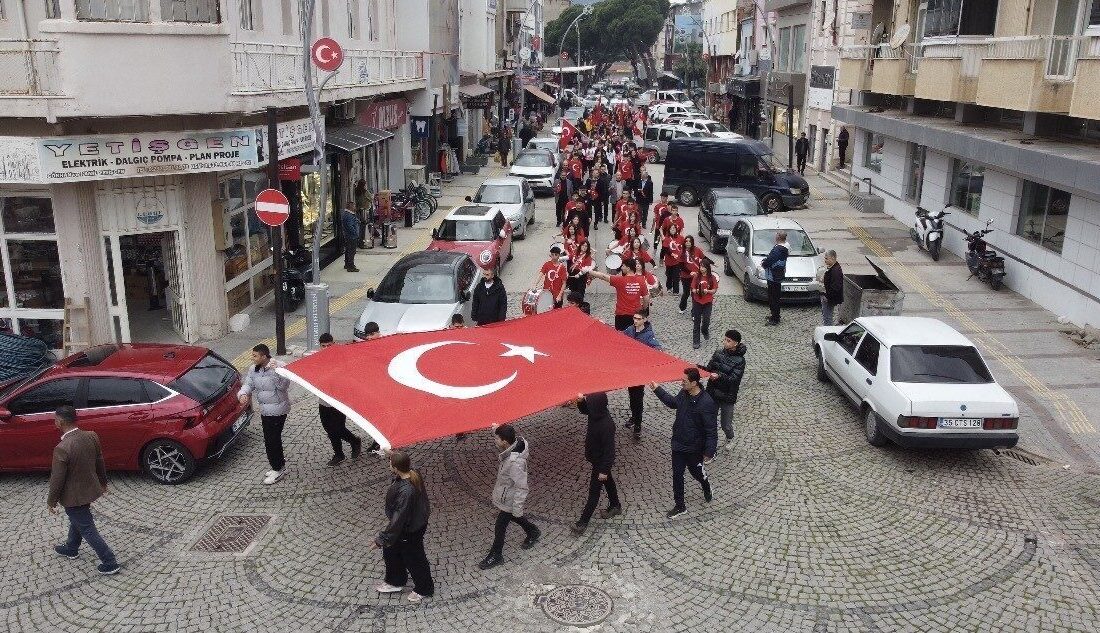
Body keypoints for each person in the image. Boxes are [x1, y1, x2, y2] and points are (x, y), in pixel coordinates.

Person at [48, 405, 120, 575]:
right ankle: (71, 547)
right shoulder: (91, 436)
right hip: (89, 490)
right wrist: (103, 482)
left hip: (73, 497)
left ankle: (110, 562)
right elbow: (99, 461)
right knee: (78, 520)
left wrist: (51, 501)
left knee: (87, 528)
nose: (54, 421)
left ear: (60, 421)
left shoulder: (62, 448)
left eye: (55, 419)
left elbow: (57, 479)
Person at [650, 368, 718, 518]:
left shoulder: (707, 403)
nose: (681, 383)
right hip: (678, 443)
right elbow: (673, 403)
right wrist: (658, 389)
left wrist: (709, 452)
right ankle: (680, 506)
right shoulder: (684, 393)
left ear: (694, 383)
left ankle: (706, 486)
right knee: (677, 475)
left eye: (684, 381)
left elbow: (711, 430)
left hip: (694, 448)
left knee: (697, 473)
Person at [372, 451, 434, 603]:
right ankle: (395, 580)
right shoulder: (413, 472)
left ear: (395, 468)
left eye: (390, 462)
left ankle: (424, 588)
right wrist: (391, 453)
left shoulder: (405, 492)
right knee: (391, 551)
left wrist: (382, 539)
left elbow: (398, 519)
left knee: (414, 558)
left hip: (410, 529)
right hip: (413, 523)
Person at [478, 424, 540, 569]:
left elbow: (522, 487)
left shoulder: (515, 463)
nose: (495, 442)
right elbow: (506, 433)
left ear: (505, 442)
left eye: (497, 439)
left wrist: (518, 507)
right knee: (513, 516)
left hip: (510, 497)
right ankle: (532, 531)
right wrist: (497, 429)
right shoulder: (512, 444)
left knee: (500, 525)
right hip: (507, 495)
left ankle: (496, 554)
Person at [238, 344, 291, 485]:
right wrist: (243, 393)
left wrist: (274, 371)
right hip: (266, 410)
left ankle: (277, 469)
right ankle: (280, 465)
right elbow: (248, 384)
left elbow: (283, 387)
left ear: (264, 356)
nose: (252, 358)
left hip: (278, 410)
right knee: (272, 439)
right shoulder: (253, 369)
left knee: (271, 440)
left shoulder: (279, 366)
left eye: (255, 355)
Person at [571, 392, 622, 535]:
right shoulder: (596, 413)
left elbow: (610, 452)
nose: (589, 406)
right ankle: (615, 505)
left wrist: (604, 470)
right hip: (596, 459)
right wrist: (581, 401)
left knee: (594, 493)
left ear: (596, 405)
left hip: (600, 463)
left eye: (590, 403)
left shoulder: (607, 425)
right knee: (608, 481)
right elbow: (584, 410)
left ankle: (583, 522)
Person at [317, 333, 362, 466]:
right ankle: (338, 454)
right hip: (324, 400)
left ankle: (354, 441)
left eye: (329, 345)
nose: (326, 348)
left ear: (333, 343)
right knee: (328, 428)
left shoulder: (341, 358)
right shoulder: (317, 359)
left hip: (339, 400)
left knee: (338, 428)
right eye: (323, 346)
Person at [701, 330, 746, 444]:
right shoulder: (718, 352)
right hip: (713, 392)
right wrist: (697, 367)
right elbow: (709, 369)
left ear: (735, 343)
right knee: (710, 421)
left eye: (728, 340)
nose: (724, 342)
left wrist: (719, 376)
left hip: (727, 395)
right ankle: (711, 445)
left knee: (726, 425)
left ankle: (730, 437)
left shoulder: (740, 360)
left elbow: (735, 379)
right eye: (724, 339)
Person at [623, 308, 661, 440]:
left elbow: (657, 349)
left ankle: (638, 424)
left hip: (640, 372)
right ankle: (634, 417)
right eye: (634, 318)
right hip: (630, 370)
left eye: (638, 319)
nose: (635, 321)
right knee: (632, 396)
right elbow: (619, 336)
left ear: (645, 319)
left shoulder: (649, 335)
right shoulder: (630, 329)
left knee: (637, 399)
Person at [586, 258, 650, 331]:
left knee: (621, 336)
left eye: (623, 266)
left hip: (621, 315)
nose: (622, 268)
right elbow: (646, 298)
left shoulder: (620, 280)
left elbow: (603, 276)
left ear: (628, 268)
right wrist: (643, 309)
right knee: (635, 337)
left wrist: (589, 271)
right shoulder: (641, 280)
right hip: (636, 315)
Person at [761, 231, 789, 326]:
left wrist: (763, 263)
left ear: (778, 237)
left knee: (773, 298)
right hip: (778, 275)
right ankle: (775, 315)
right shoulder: (784, 248)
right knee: (775, 297)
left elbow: (770, 260)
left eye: (776, 235)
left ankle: (775, 318)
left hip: (773, 276)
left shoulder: (778, 250)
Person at [690, 260, 718, 350]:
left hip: (708, 302)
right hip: (697, 302)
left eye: (703, 267)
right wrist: (697, 291)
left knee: (706, 320)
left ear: (707, 268)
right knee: (696, 322)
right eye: (700, 267)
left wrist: (708, 291)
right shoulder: (696, 277)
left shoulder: (712, 278)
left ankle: (705, 331)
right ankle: (696, 341)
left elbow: (714, 290)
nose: (701, 269)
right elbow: (693, 289)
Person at [678, 236, 704, 314]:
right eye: (686, 241)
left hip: (696, 277)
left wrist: (712, 263)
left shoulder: (697, 250)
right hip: (685, 276)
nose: (688, 243)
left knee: (694, 294)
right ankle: (682, 307)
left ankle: (694, 312)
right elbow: (681, 266)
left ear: (692, 242)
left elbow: (704, 258)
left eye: (689, 241)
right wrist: (690, 272)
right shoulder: (682, 252)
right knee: (686, 293)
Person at [818, 249, 844, 326]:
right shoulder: (832, 267)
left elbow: (835, 287)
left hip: (829, 299)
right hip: (828, 297)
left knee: (827, 318)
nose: (825, 260)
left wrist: (826, 297)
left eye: (826, 258)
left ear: (832, 258)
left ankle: (828, 333)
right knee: (826, 316)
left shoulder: (835, 270)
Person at [661, 224, 685, 294]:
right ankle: (669, 287)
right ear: (669, 230)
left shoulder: (681, 238)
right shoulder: (666, 239)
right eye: (671, 229)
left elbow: (684, 247)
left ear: (676, 230)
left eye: (674, 229)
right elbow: (665, 249)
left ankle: (676, 291)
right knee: (669, 276)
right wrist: (672, 254)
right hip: (669, 261)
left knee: (676, 276)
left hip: (677, 261)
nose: (673, 230)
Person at [341, 204, 361, 272]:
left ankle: (347, 264)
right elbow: (349, 226)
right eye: (354, 206)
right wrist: (355, 233)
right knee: (352, 251)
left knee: (348, 250)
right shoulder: (349, 215)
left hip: (348, 236)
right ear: (350, 207)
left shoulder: (348, 214)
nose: (355, 207)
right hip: (351, 236)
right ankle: (350, 266)